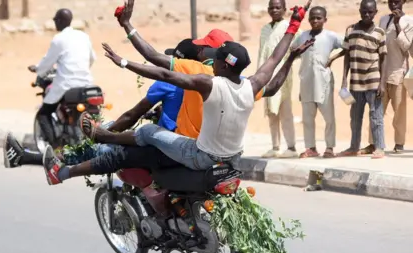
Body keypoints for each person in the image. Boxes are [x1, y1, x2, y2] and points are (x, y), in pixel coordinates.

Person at [41, 2, 314, 185]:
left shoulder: (208, 82)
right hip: (233, 159)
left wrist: (124, 56)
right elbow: (273, 63)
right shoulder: (249, 85)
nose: (212, 60)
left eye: (216, 57)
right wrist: (293, 29)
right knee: (145, 140)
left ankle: (100, 138)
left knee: (146, 135)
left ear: (220, 63)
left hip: (200, 155)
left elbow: (161, 71)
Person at [3, 38, 199, 169]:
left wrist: (104, 134)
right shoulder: (208, 80)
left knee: (99, 150)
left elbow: (131, 116)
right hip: (190, 144)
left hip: (168, 146)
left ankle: (30, 159)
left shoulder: (168, 81)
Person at [114, 0, 234, 140]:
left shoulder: (193, 71)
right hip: (217, 144)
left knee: (140, 137)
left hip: (183, 146)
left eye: (203, 47)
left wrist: (127, 27)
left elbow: (152, 56)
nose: (200, 50)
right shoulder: (237, 80)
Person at [29, 9, 97, 149]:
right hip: (86, 84)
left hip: (66, 85)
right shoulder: (83, 36)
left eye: (55, 21)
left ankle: (56, 148)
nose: (54, 23)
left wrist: (37, 69)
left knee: (43, 113)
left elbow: (47, 63)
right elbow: (92, 59)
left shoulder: (58, 39)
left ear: (59, 21)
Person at [361, 0, 413, 154]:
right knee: (376, 110)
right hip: (381, 74)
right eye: (391, 2)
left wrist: (397, 24)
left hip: (398, 72)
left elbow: (407, 47)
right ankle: (373, 143)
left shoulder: (409, 21)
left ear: (403, 2)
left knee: (399, 111)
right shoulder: (383, 19)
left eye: (396, 1)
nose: (393, 4)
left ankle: (399, 144)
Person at [291, 6, 343, 158]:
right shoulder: (303, 36)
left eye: (319, 18)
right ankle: (311, 147)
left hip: (324, 82)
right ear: (308, 19)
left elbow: (347, 46)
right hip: (306, 81)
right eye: (312, 18)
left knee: (329, 117)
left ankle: (330, 147)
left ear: (325, 20)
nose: (315, 20)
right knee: (307, 118)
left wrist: (333, 58)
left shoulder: (331, 36)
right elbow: (293, 51)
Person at [338, 0, 388, 159]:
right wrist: (344, 80)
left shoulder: (379, 32)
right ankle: (354, 147)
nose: (367, 14)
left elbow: (383, 58)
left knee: (376, 117)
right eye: (364, 11)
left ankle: (379, 148)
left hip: (373, 81)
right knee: (355, 118)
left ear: (375, 12)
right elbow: (347, 55)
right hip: (355, 83)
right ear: (359, 11)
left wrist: (382, 82)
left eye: (370, 12)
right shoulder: (350, 30)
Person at [258, 0, 300, 158]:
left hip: (283, 77)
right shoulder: (264, 29)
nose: (274, 10)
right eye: (271, 7)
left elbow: (298, 48)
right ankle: (275, 147)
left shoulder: (289, 28)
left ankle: (291, 147)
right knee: (271, 113)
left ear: (284, 9)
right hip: (266, 77)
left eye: (278, 7)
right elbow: (261, 54)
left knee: (285, 112)